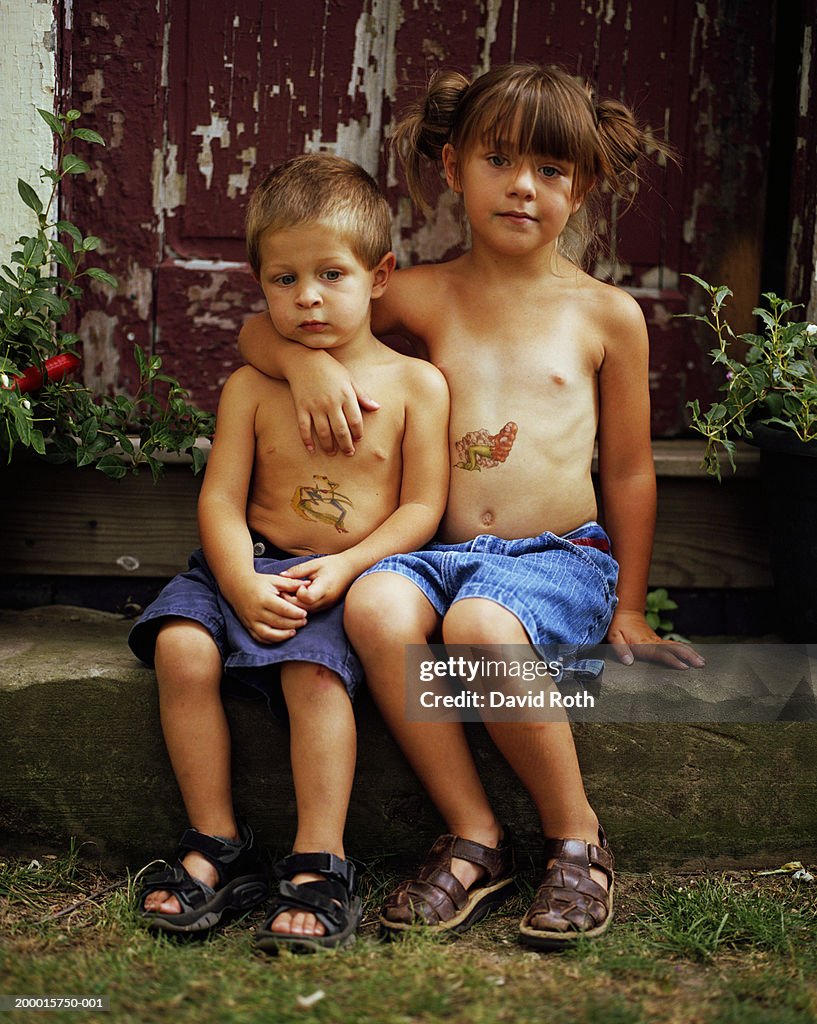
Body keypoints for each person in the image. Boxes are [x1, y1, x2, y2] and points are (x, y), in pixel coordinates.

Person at [238, 63, 704, 949]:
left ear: (585, 185)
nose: (523, 185)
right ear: (452, 169)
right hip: (441, 554)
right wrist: (306, 363)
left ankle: (576, 838)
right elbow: (260, 328)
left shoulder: (606, 316)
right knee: (375, 602)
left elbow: (633, 471)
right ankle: (474, 832)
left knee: (480, 627)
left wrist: (632, 605)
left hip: (557, 558)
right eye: (498, 160)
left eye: (552, 170)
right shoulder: (418, 292)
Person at [128, 154, 450, 952]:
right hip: (243, 563)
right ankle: (215, 846)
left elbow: (422, 506)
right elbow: (219, 500)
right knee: (179, 649)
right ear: (259, 281)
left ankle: (318, 862)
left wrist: (347, 568)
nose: (306, 297)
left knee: (312, 675)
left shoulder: (417, 387)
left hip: (337, 578)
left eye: (330, 274)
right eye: (282, 279)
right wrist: (236, 581)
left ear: (380, 276)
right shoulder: (250, 385)